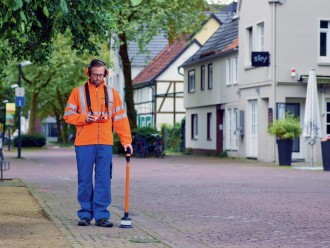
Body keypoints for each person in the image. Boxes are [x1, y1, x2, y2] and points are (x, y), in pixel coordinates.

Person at [64, 59, 133, 227]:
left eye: (101, 75)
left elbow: (121, 119)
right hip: (84, 143)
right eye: (94, 74)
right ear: (88, 72)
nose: (97, 78)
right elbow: (68, 115)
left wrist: (126, 141)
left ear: (106, 74)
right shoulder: (77, 92)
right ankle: (85, 214)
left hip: (105, 144)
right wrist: (83, 118)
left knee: (103, 179)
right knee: (85, 179)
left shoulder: (112, 93)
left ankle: (102, 215)